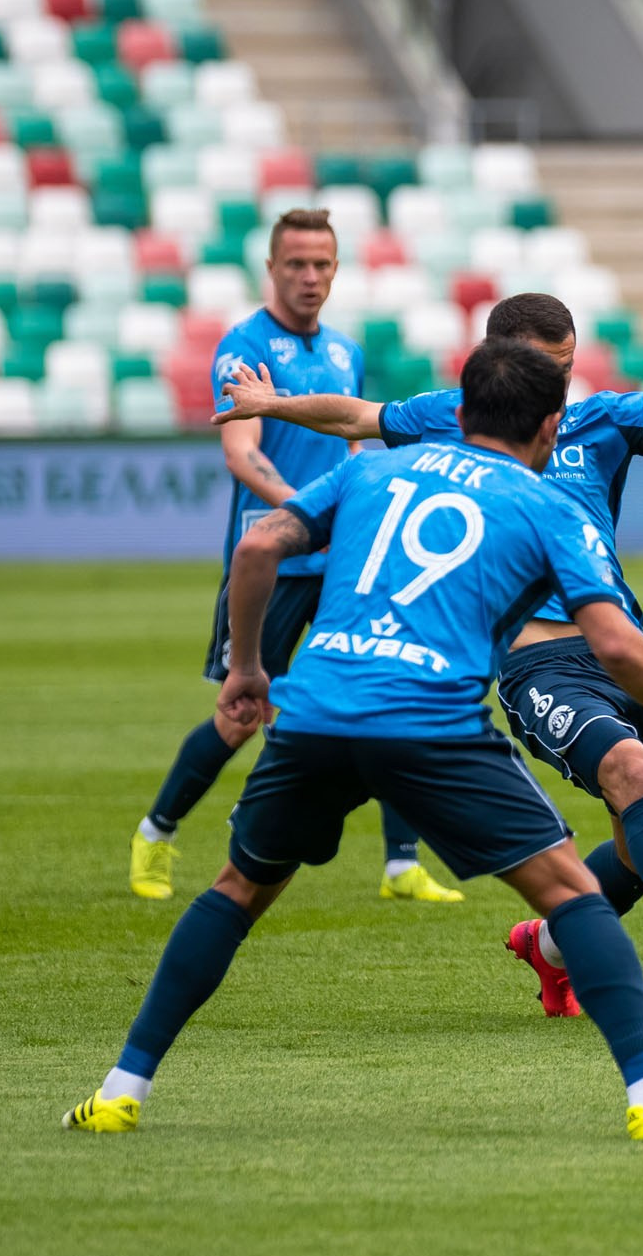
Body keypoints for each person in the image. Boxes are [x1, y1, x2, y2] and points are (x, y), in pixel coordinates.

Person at [64, 339, 643, 1140]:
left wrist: (248, 668)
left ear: (458, 414)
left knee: (237, 889)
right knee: (571, 896)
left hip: (317, 710)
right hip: (430, 722)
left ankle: (119, 1088)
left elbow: (257, 547)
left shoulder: (368, 470)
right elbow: (621, 646)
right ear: (552, 426)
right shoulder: (544, 504)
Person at [212, 293, 643, 1011]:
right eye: (546, 371)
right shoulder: (451, 418)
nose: (559, 390)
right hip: (540, 663)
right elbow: (355, 416)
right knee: (629, 771)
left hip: (625, 656)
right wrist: (272, 405)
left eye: (567, 368)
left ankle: (548, 947)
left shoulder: (601, 421)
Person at [127, 209, 455, 906]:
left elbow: (350, 445)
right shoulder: (244, 348)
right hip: (272, 565)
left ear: (336, 270)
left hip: (336, 560)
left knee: (384, 685)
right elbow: (241, 453)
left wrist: (360, 505)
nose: (310, 277)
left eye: (323, 265)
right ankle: (156, 833)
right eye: (297, 264)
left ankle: (402, 864)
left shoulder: (342, 351)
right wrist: (309, 515)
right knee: (242, 713)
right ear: (271, 269)